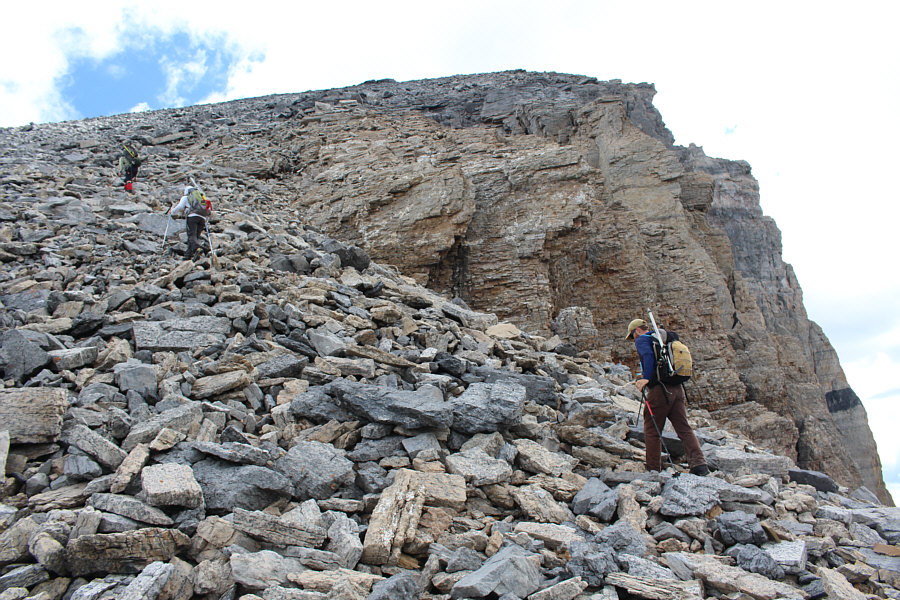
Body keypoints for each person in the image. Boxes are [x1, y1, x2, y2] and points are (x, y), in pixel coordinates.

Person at [626, 318, 709, 475]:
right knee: (683, 428)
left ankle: (653, 469)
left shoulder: (643, 340)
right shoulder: (662, 339)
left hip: (660, 390)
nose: (633, 340)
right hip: (677, 389)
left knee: (652, 429)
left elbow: (648, 356)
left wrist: (646, 378)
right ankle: (699, 465)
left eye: (632, 336)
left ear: (637, 330)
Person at [170, 186, 212, 259]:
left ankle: (198, 248)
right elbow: (208, 209)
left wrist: (172, 211)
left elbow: (180, 207)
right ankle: (188, 254)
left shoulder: (186, 197)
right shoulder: (201, 198)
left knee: (191, 235)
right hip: (202, 218)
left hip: (192, 217)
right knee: (196, 236)